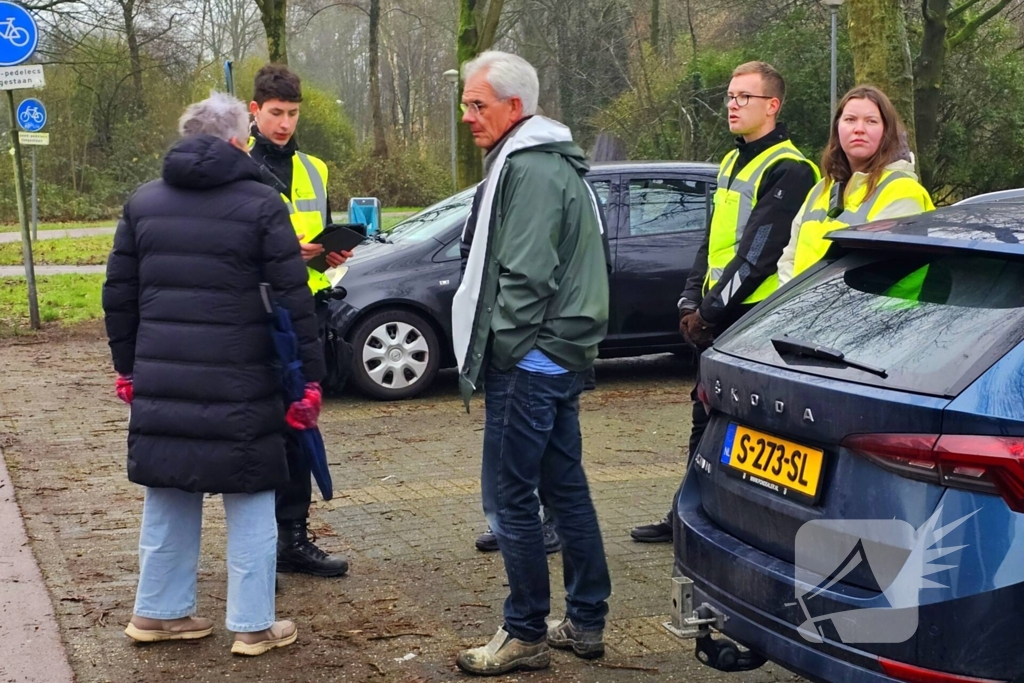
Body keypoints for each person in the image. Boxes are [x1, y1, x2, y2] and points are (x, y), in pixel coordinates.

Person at [103, 92, 324, 656]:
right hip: (243, 379)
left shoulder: (143, 202)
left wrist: (127, 368)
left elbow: (119, 297)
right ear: (237, 139)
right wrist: (310, 380)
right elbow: (293, 300)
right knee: (250, 493)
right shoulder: (261, 203)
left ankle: (157, 613)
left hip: (163, 376)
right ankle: (253, 625)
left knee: (168, 488)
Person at [451, 51, 612, 676]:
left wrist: (506, 351)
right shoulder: (543, 162)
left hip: (532, 362)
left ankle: (525, 633)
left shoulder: (534, 171)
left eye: (477, 105)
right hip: (555, 356)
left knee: (510, 498)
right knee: (565, 490)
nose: (468, 116)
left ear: (514, 108)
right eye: (466, 103)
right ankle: (586, 619)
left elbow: (525, 275)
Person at [630, 61, 819, 543]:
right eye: (730, 97)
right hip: (715, 316)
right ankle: (687, 515)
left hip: (750, 316)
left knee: (743, 428)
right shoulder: (732, 162)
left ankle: (726, 522)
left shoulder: (790, 169)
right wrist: (688, 300)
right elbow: (711, 242)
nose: (732, 105)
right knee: (704, 418)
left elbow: (757, 255)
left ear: (772, 106)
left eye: (744, 98)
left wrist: (709, 313)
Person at [249, 64, 350, 578]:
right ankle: (259, 546)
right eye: (275, 114)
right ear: (254, 111)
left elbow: (315, 236)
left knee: (298, 424)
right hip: (254, 312)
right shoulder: (236, 164)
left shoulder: (316, 169)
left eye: (291, 114)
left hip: (305, 308)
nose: (284, 124)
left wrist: (327, 256)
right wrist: (293, 251)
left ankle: (292, 536)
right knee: (258, 428)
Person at [776, 85, 934, 284]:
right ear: (837, 128)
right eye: (850, 119)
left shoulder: (903, 191)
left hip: (878, 314)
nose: (859, 129)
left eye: (871, 121)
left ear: (887, 131)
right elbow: (788, 259)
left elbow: (878, 273)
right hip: (802, 311)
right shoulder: (820, 189)